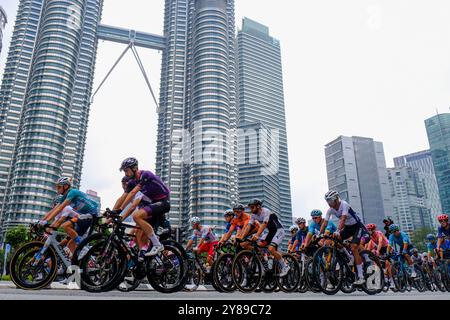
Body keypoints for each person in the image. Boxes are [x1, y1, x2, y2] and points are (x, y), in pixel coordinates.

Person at [114, 157, 171, 257]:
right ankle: (143, 257)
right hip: (152, 205)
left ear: (134, 168)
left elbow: (132, 194)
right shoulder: (132, 182)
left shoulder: (145, 175)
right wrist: (112, 215)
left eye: (126, 171)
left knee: (137, 216)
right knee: (139, 234)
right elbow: (123, 197)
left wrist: (120, 210)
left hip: (163, 202)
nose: (125, 174)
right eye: (124, 171)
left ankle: (157, 244)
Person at [319, 190, 368, 285]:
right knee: (335, 240)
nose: (328, 203)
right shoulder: (330, 210)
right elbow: (325, 223)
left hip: (357, 226)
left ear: (336, 199)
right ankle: (349, 257)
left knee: (354, 247)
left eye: (330, 200)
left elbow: (343, 218)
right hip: (348, 228)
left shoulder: (344, 204)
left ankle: (361, 276)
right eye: (327, 201)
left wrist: (337, 231)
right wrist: (319, 234)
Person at [39, 177, 98, 253]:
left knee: (65, 226)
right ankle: (76, 263)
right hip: (84, 217)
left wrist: (46, 221)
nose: (57, 189)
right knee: (70, 245)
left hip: (91, 214)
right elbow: (53, 210)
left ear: (66, 186)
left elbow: (59, 209)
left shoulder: (72, 192)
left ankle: (82, 247)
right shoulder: (64, 197)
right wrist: (41, 221)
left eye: (59, 187)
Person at [239, 199, 290, 277]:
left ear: (258, 206)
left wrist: (257, 235)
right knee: (257, 245)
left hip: (279, 230)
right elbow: (248, 226)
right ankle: (265, 265)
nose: (251, 210)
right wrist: (241, 237)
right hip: (270, 232)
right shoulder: (253, 215)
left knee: (271, 248)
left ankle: (285, 266)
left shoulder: (266, 211)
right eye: (250, 208)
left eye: (252, 207)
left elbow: (264, 224)